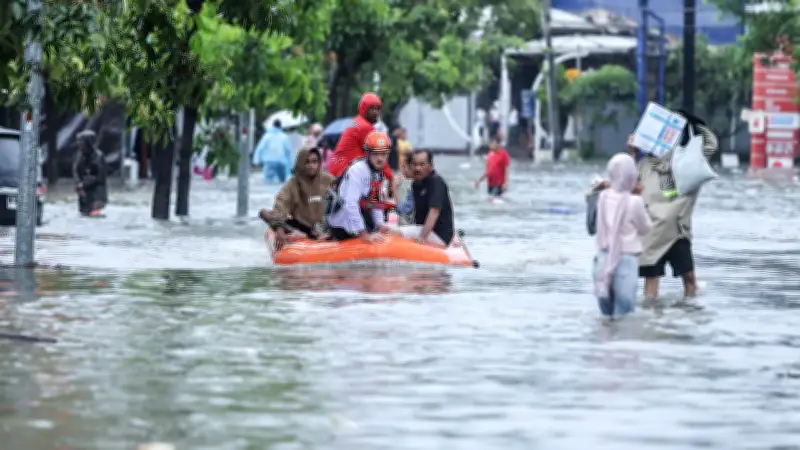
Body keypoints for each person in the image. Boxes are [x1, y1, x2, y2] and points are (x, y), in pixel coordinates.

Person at [604, 110, 718, 300]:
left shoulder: (683, 160)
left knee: (689, 279)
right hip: (651, 231)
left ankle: (689, 312)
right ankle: (651, 321)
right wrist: (632, 154)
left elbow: (710, 144)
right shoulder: (643, 165)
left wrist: (688, 120)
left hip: (676, 231)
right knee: (651, 284)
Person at [593, 153, 653, 318]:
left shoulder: (602, 197)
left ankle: (605, 341)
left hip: (602, 259)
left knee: (606, 315)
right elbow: (646, 227)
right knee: (625, 314)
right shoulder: (634, 202)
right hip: (625, 260)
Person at [325, 131, 399, 242]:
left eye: (383, 154)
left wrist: (380, 224)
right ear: (367, 154)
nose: (380, 158)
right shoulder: (357, 170)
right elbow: (350, 204)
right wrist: (364, 235)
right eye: (375, 154)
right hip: (342, 223)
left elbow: (374, 202)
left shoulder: (378, 172)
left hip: (359, 216)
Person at [259, 147, 334, 250]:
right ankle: (298, 234)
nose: (311, 165)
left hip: (325, 228)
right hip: (300, 227)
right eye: (307, 162)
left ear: (319, 163)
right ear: (300, 163)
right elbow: (281, 205)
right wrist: (279, 229)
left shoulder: (328, 180)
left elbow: (342, 203)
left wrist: (330, 232)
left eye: (314, 162)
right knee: (264, 212)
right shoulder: (292, 184)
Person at [327, 92, 394, 185]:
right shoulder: (365, 127)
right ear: (363, 108)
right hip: (346, 170)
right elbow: (378, 153)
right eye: (372, 108)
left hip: (337, 167)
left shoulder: (356, 122)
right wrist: (390, 177)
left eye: (378, 109)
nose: (375, 112)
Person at [408, 150, 455, 246]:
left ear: (431, 165)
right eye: (414, 164)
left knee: (392, 232)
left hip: (439, 235)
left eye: (422, 164)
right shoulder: (416, 184)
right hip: (423, 229)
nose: (418, 168)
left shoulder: (436, 182)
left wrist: (422, 238)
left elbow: (434, 211)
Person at [73, 130, 108, 217]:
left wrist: (83, 184)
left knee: (94, 214)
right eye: (78, 141)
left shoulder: (99, 156)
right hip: (84, 192)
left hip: (97, 193)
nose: (79, 143)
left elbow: (99, 177)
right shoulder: (80, 156)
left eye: (81, 141)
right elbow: (75, 170)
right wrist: (78, 185)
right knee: (83, 214)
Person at [252, 119, 293, 184]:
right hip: (281, 162)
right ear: (280, 126)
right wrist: (290, 166)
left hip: (269, 162)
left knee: (267, 182)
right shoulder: (284, 137)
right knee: (281, 183)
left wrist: (256, 161)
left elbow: (260, 148)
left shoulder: (266, 136)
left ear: (272, 126)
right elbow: (288, 152)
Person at [393, 151, 415, 225]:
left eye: (404, 166)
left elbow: (403, 210)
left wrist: (395, 189)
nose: (402, 170)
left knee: (401, 219)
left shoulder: (416, 185)